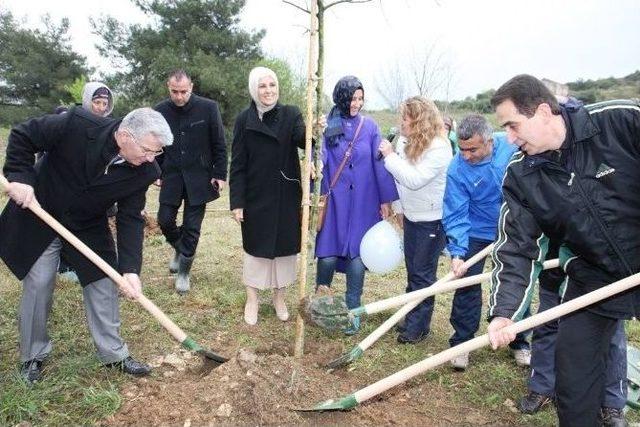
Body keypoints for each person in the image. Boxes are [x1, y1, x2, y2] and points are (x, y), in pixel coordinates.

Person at [486, 74, 640, 426]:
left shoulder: (621, 122)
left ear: (542, 111)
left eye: (513, 125)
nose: (509, 138)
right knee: (574, 380)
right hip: (592, 276)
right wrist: (505, 311)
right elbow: (515, 247)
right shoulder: (522, 174)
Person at [0, 106, 173, 383]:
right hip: (41, 212)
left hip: (87, 225)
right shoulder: (76, 125)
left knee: (103, 281)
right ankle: (32, 355)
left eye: (157, 152)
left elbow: (130, 217)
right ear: (125, 136)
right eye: (148, 150)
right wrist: (20, 178)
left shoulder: (146, 170)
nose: (152, 158)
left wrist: (130, 270)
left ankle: (113, 354)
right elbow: (23, 135)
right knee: (39, 282)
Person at [442, 114, 531, 370]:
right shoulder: (457, 168)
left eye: (472, 149)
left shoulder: (513, 148)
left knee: (515, 282)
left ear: (489, 142)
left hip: (513, 229)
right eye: (462, 148)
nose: (466, 155)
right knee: (467, 284)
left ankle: (520, 341)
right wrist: (458, 252)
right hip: (477, 232)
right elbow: (456, 211)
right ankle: (462, 344)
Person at [314, 75, 399, 335]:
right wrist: (315, 152)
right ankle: (321, 303)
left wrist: (385, 199)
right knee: (327, 256)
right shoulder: (329, 125)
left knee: (357, 257)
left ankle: (353, 310)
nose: (356, 103)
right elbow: (321, 160)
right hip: (336, 201)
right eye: (352, 98)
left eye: (360, 98)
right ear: (341, 97)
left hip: (364, 201)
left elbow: (378, 162)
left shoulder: (370, 126)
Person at [517, 242, 627, 424]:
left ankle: (611, 403)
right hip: (554, 273)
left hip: (602, 277)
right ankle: (541, 388)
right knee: (547, 327)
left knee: (612, 337)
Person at [229, 66, 307, 325]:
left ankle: (279, 297)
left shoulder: (291, 114)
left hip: (286, 194)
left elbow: (304, 140)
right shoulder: (244, 120)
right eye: (263, 86)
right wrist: (237, 201)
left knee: (285, 250)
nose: (268, 91)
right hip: (256, 195)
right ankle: (252, 299)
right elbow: (237, 164)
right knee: (255, 248)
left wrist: (315, 131)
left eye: (272, 85)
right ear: (254, 89)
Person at [378, 96, 452, 344]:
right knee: (413, 271)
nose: (401, 124)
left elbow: (414, 179)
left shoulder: (440, 148)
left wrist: (389, 157)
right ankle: (412, 316)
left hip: (431, 220)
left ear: (420, 122)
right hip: (411, 217)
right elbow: (400, 181)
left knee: (422, 273)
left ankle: (418, 327)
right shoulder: (407, 142)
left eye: (405, 119)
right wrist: (399, 208)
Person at [154, 69, 227, 294]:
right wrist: (156, 171)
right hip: (172, 175)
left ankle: (184, 272)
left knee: (192, 227)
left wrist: (220, 173)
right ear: (169, 87)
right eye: (174, 92)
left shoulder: (208, 108)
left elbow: (219, 143)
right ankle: (180, 247)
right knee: (164, 220)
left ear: (191, 87)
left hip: (200, 177)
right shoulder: (160, 111)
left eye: (183, 91)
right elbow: (156, 145)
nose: (179, 96)